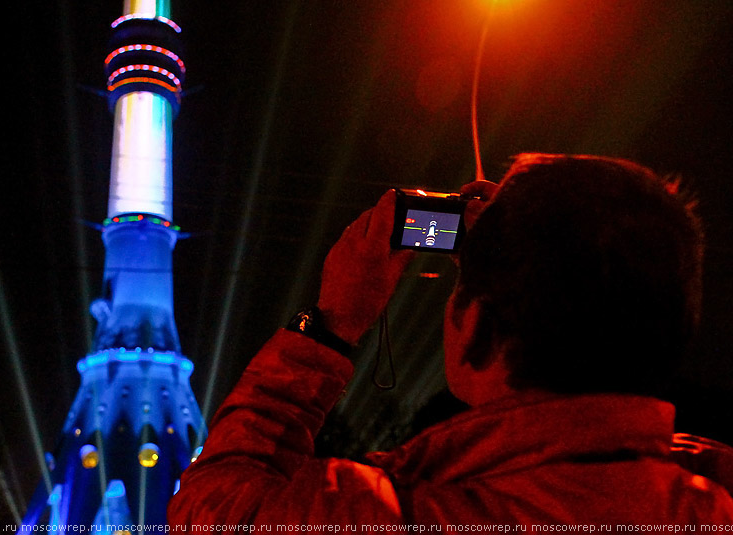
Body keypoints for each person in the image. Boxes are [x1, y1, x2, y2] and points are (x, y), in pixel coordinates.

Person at [168, 153, 733, 530]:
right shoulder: (710, 499)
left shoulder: (398, 512)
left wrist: (333, 321)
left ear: (478, 327)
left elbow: (210, 505)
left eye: (462, 287)